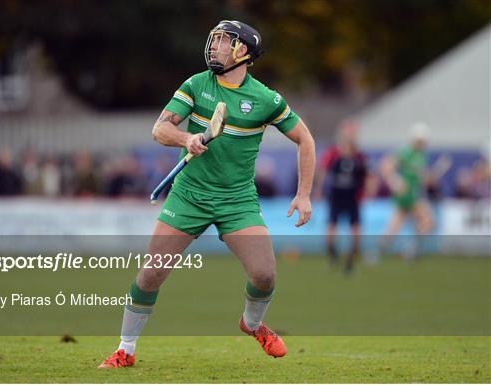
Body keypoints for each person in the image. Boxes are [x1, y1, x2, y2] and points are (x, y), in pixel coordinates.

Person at [99, 20, 316, 368]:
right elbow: (160, 128)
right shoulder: (197, 85)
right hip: (190, 196)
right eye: (214, 40)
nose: (213, 46)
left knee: (265, 275)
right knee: (152, 273)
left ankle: (252, 324)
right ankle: (126, 349)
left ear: (242, 50)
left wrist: (303, 193)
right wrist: (187, 139)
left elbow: (305, 139)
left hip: (237, 200)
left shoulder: (265, 99)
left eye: (223, 41)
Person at [317, 121, 367, 273]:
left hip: (353, 198)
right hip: (336, 196)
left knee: (355, 229)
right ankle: (333, 255)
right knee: (332, 226)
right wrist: (319, 189)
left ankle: (351, 258)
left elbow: (367, 175)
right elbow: (323, 170)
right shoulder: (333, 153)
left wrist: (367, 190)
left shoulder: (359, 156)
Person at [378, 122, 434, 259]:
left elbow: (419, 176)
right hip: (406, 196)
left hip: (413, 194)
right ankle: (410, 249)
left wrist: (426, 179)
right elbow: (385, 167)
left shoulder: (421, 155)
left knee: (395, 227)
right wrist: (396, 183)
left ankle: (378, 253)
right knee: (427, 221)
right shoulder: (406, 152)